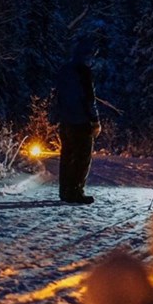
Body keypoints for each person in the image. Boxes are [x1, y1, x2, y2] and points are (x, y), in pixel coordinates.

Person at [53, 37, 101, 204]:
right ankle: (76, 192)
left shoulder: (64, 69)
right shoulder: (84, 72)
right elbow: (89, 99)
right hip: (81, 122)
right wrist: (95, 120)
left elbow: (57, 96)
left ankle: (64, 191)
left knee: (67, 156)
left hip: (65, 121)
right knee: (82, 158)